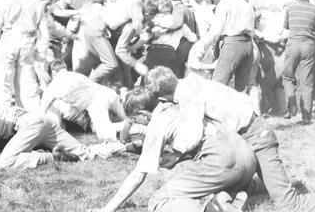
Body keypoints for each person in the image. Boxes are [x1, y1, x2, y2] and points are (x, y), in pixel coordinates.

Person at [143, 67, 315, 212]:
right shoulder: (192, 81)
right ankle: (284, 183)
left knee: (289, 205)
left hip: (256, 137)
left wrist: (174, 152)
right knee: (231, 180)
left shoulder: (187, 96)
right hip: (248, 136)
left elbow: (192, 135)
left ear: (161, 96)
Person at [94, 86, 257, 212]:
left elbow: (138, 175)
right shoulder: (181, 102)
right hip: (246, 154)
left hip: (222, 159)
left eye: (136, 120)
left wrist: (108, 208)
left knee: (159, 200)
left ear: (144, 114)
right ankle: (233, 194)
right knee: (208, 179)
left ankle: (212, 209)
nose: (138, 125)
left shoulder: (157, 124)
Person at [0, 0, 49, 113]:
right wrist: (40, 53)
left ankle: (2, 121)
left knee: (3, 84)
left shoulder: (7, 0)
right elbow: (44, 34)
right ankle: (33, 121)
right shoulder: (38, 3)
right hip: (27, 42)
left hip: (8, 40)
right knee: (28, 85)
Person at [40, 60, 127, 141]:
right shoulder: (76, 75)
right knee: (127, 116)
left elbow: (42, 110)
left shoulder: (53, 85)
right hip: (108, 93)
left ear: (54, 73)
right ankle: (133, 122)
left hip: (96, 103)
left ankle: (129, 127)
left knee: (104, 134)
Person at [194, 0, 254, 92]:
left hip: (232, 43)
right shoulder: (248, 5)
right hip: (248, 45)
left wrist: (202, 46)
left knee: (217, 85)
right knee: (241, 89)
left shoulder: (224, 4)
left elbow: (215, 31)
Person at [281, 0, 315, 123]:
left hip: (293, 44)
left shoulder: (289, 8)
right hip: (309, 45)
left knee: (287, 77)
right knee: (307, 82)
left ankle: (291, 105)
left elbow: (286, 26)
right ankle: (306, 118)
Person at [147, 0, 198, 78]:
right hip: (168, 52)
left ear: (159, 9)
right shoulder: (178, 23)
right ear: (172, 9)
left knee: (149, 80)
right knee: (169, 81)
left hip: (152, 51)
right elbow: (193, 38)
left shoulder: (154, 21)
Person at [49, 0, 79, 69]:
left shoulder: (71, 10)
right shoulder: (54, 7)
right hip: (49, 44)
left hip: (62, 45)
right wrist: (78, 11)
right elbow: (59, 13)